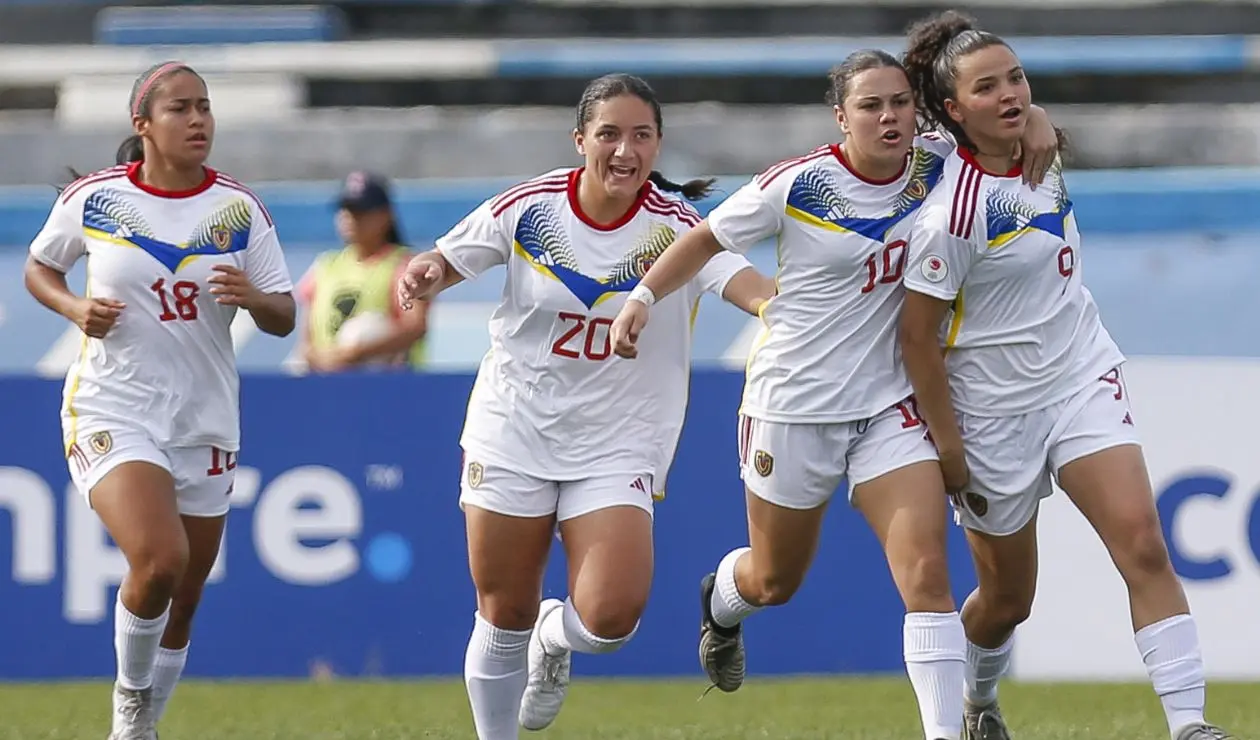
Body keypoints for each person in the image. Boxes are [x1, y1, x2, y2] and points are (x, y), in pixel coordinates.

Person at [609, 48, 1058, 740]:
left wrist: (1040, 125)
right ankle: (722, 602)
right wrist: (641, 297)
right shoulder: (799, 183)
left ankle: (944, 732)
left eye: (901, 102)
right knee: (774, 582)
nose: (889, 117)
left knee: (928, 578)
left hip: (890, 405)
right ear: (840, 116)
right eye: (871, 105)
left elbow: (1009, 121)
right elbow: (704, 240)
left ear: (921, 111)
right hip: (794, 405)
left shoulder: (938, 162)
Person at [396, 73, 775, 739]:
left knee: (610, 617)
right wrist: (428, 271)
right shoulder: (532, 208)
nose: (624, 150)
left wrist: (776, 308)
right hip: (514, 426)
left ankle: (556, 636)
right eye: (608, 134)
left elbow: (738, 280)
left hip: (618, 440)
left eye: (641, 135)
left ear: (658, 145)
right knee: (502, 608)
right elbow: (450, 259)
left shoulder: (680, 228)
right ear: (580, 140)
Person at [897, 12, 1232, 740]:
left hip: (1078, 376)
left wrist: (1033, 117)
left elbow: (1023, 123)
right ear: (953, 111)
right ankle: (979, 703)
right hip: (989, 412)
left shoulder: (1042, 148)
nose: (1012, 95)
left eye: (1017, 78)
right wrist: (948, 445)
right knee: (1008, 599)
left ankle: (1191, 725)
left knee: (1142, 541)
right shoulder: (949, 212)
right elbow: (917, 338)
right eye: (987, 88)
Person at [24, 61, 294, 739]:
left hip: (203, 417)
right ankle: (129, 708)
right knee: (160, 559)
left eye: (204, 106)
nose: (198, 119)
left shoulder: (239, 208)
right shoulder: (94, 198)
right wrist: (73, 306)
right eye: (180, 108)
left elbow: (284, 314)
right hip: (113, 406)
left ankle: (144, 723)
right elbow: (40, 265)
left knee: (184, 596)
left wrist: (254, 298)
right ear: (142, 125)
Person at [296, 170, 429, 373]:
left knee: (365, 330)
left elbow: (414, 326)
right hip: (329, 380)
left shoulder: (404, 265)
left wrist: (356, 353)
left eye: (361, 212)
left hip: (389, 382)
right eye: (346, 211)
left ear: (385, 215)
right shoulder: (325, 265)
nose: (350, 218)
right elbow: (307, 341)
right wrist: (322, 358)